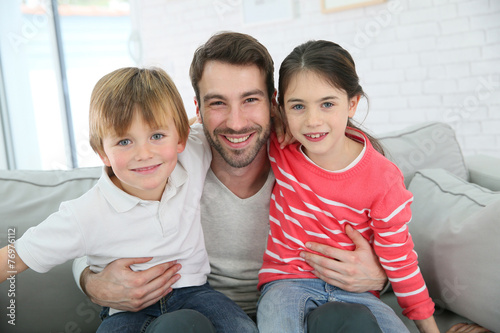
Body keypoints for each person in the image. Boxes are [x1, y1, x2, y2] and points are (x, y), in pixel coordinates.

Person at [74, 32, 392, 332]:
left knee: (344, 318)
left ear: (273, 103)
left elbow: (393, 241)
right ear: (197, 109)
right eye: (217, 103)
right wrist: (91, 282)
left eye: (250, 100)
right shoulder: (164, 160)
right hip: (202, 315)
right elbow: (91, 224)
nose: (236, 122)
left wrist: (380, 277)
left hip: (302, 308)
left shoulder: (314, 156)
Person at [0, 67, 257, 333]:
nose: (144, 154)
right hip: (126, 312)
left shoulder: (192, 153)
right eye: (124, 141)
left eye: (156, 136)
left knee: (242, 328)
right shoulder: (85, 213)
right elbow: (15, 257)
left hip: (195, 294)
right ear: (103, 153)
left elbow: (218, 125)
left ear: (180, 139)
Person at [256, 40, 439, 333]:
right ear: (281, 107)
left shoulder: (383, 178)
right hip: (286, 284)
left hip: (359, 292)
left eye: (327, 104)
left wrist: (430, 329)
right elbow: (226, 124)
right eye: (298, 106)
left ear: (352, 103)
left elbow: (401, 262)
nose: (313, 121)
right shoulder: (280, 145)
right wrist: (279, 120)